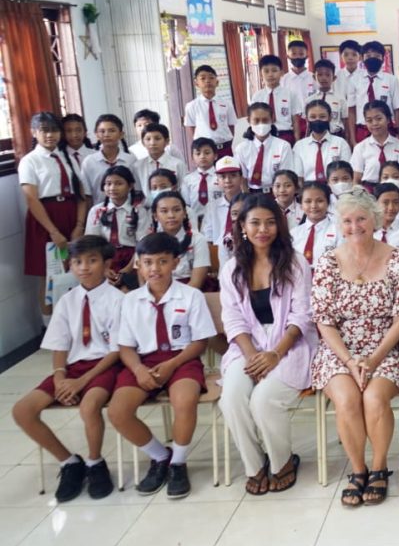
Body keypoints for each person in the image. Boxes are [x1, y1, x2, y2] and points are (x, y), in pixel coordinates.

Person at [310, 190, 399, 506]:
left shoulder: (396, 258)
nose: (354, 226)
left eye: (361, 218)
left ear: (375, 219)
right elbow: (324, 320)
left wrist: (373, 359)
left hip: (389, 347)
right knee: (346, 399)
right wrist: (348, 358)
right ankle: (357, 470)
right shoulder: (328, 262)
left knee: (373, 398)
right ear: (339, 224)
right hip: (340, 348)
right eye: (347, 220)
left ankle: (379, 467)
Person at [12, 235, 123, 502]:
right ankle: (70, 463)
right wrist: (61, 377)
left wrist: (81, 382)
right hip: (72, 369)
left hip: (104, 367)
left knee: (89, 406)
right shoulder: (67, 301)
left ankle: (95, 463)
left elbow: (117, 350)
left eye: (92, 261)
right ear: (70, 266)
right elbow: (59, 345)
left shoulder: (117, 299)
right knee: (23, 410)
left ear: (107, 264)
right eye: (77, 262)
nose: (84, 267)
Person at [107, 233, 216, 498]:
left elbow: (200, 342)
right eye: (148, 262)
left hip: (182, 359)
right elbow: (125, 346)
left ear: (176, 263)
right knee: (118, 411)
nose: (155, 268)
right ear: (138, 265)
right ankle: (160, 456)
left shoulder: (191, 296)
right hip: (143, 362)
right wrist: (138, 370)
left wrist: (172, 365)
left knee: (184, 401)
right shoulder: (130, 301)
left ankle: (178, 462)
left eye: (162, 261)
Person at [219, 194, 314, 495]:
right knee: (232, 398)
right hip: (247, 347)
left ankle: (283, 462)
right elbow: (233, 319)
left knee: (264, 400)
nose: (263, 229)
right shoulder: (231, 268)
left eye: (270, 222)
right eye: (255, 222)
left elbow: (303, 315)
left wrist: (274, 354)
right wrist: (252, 357)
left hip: (290, 344)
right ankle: (254, 466)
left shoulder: (296, 262)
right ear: (243, 227)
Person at [20, 112, 88, 313]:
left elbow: (81, 195)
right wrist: (53, 232)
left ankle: (76, 322)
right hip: (45, 219)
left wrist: (79, 226)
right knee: (49, 274)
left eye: (55, 130)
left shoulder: (66, 156)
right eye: (45, 131)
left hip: (71, 213)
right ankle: (49, 330)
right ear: (34, 132)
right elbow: (31, 199)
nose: (51, 135)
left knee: (76, 269)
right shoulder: (29, 161)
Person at [85, 165, 147, 289]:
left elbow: (142, 244)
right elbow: (92, 244)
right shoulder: (96, 210)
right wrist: (104, 268)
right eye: (108, 184)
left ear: (130, 186)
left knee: (127, 292)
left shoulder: (139, 211)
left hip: (132, 260)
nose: (112, 188)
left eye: (119, 183)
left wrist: (126, 270)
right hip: (104, 258)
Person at [347, 40, 399, 144]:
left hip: (386, 130)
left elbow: (397, 109)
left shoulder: (391, 80)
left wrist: (398, 135)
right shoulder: (354, 80)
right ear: (362, 58)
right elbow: (351, 111)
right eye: (368, 56)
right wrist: (353, 140)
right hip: (362, 129)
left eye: (377, 56)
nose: (372, 58)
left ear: (382, 59)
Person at [235, 103, 295, 192]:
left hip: (277, 193)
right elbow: (242, 180)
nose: (261, 124)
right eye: (256, 120)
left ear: (272, 120)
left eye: (265, 120)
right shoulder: (241, 148)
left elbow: (285, 177)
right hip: (252, 193)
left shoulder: (283, 146)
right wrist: (247, 199)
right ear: (249, 121)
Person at [351, 100, 399, 191]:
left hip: (395, 192)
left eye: (379, 119)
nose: (374, 123)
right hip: (369, 194)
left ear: (388, 119)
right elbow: (356, 180)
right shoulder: (360, 148)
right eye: (369, 120)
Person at [293, 99, 351, 184]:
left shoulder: (341, 143)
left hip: (335, 190)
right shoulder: (299, 146)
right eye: (313, 117)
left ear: (330, 117)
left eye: (322, 116)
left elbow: (347, 174)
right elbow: (299, 178)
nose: (317, 120)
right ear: (307, 119)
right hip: (308, 191)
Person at [184, 64, 237, 157]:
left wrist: (225, 142)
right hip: (204, 152)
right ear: (196, 83)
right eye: (203, 78)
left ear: (217, 82)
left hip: (224, 149)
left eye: (211, 78)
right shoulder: (191, 106)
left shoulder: (227, 104)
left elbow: (231, 126)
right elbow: (191, 128)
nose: (208, 81)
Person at [252, 54, 304, 144]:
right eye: (266, 71)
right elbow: (254, 122)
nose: (270, 75)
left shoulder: (290, 94)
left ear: (281, 73)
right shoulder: (257, 96)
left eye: (274, 70)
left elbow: (295, 121)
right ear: (261, 74)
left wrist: (297, 142)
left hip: (285, 136)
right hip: (264, 138)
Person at [181, 138, 220, 233]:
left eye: (207, 153)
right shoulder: (187, 180)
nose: (202, 156)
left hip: (217, 220)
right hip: (195, 222)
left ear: (215, 156)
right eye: (198, 153)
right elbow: (186, 205)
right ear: (192, 157)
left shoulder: (221, 178)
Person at [310, 59, 347, 137]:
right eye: (320, 75)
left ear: (334, 78)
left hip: (336, 135)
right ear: (314, 77)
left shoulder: (340, 99)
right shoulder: (309, 100)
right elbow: (308, 123)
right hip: (316, 136)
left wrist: (347, 139)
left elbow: (345, 121)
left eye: (327, 75)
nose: (324, 78)